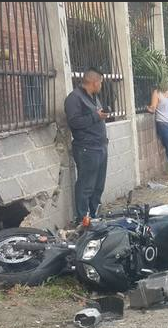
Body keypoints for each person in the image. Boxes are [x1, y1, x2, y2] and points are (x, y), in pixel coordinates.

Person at [65, 67, 109, 220]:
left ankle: (94, 214)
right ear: (94, 82)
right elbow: (74, 122)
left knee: (98, 185)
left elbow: (94, 116)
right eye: (101, 82)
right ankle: (82, 218)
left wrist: (100, 115)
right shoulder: (74, 98)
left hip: (100, 146)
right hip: (87, 148)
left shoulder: (93, 97)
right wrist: (95, 117)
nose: (101, 86)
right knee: (86, 186)